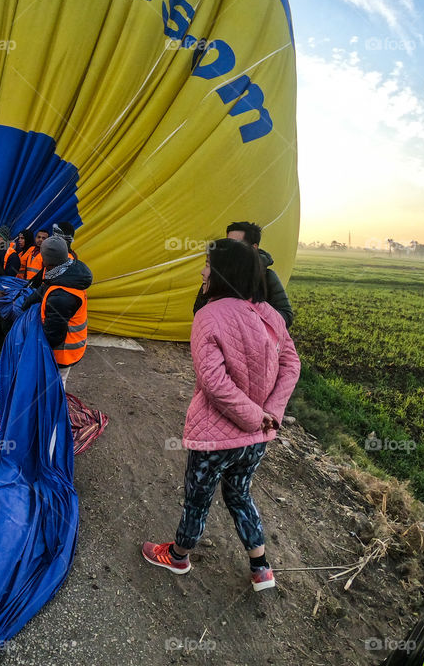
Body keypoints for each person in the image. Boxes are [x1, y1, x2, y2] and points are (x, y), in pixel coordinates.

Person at [143, 238, 300, 592]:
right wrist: (269, 413)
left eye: (208, 266)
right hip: (258, 437)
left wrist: (253, 415)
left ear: (224, 273)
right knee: (239, 493)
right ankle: (261, 567)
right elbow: (292, 365)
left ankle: (179, 557)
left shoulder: (208, 316)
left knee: (198, 497)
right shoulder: (270, 314)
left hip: (216, 436)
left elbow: (213, 382)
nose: (203, 271)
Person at [193, 221, 294, 328]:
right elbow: (198, 310)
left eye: (236, 243)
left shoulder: (267, 276)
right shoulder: (218, 274)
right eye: (228, 241)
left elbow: (286, 316)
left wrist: (249, 323)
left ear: (254, 247)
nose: (230, 248)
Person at [22, 236, 92, 388]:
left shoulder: (62, 296)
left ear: (47, 260)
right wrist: (26, 304)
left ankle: (53, 410)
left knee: (54, 385)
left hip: (64, 351)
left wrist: (35, 348)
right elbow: (45, 287)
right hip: (69, 343)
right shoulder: (65, 271)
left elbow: (54, 335)